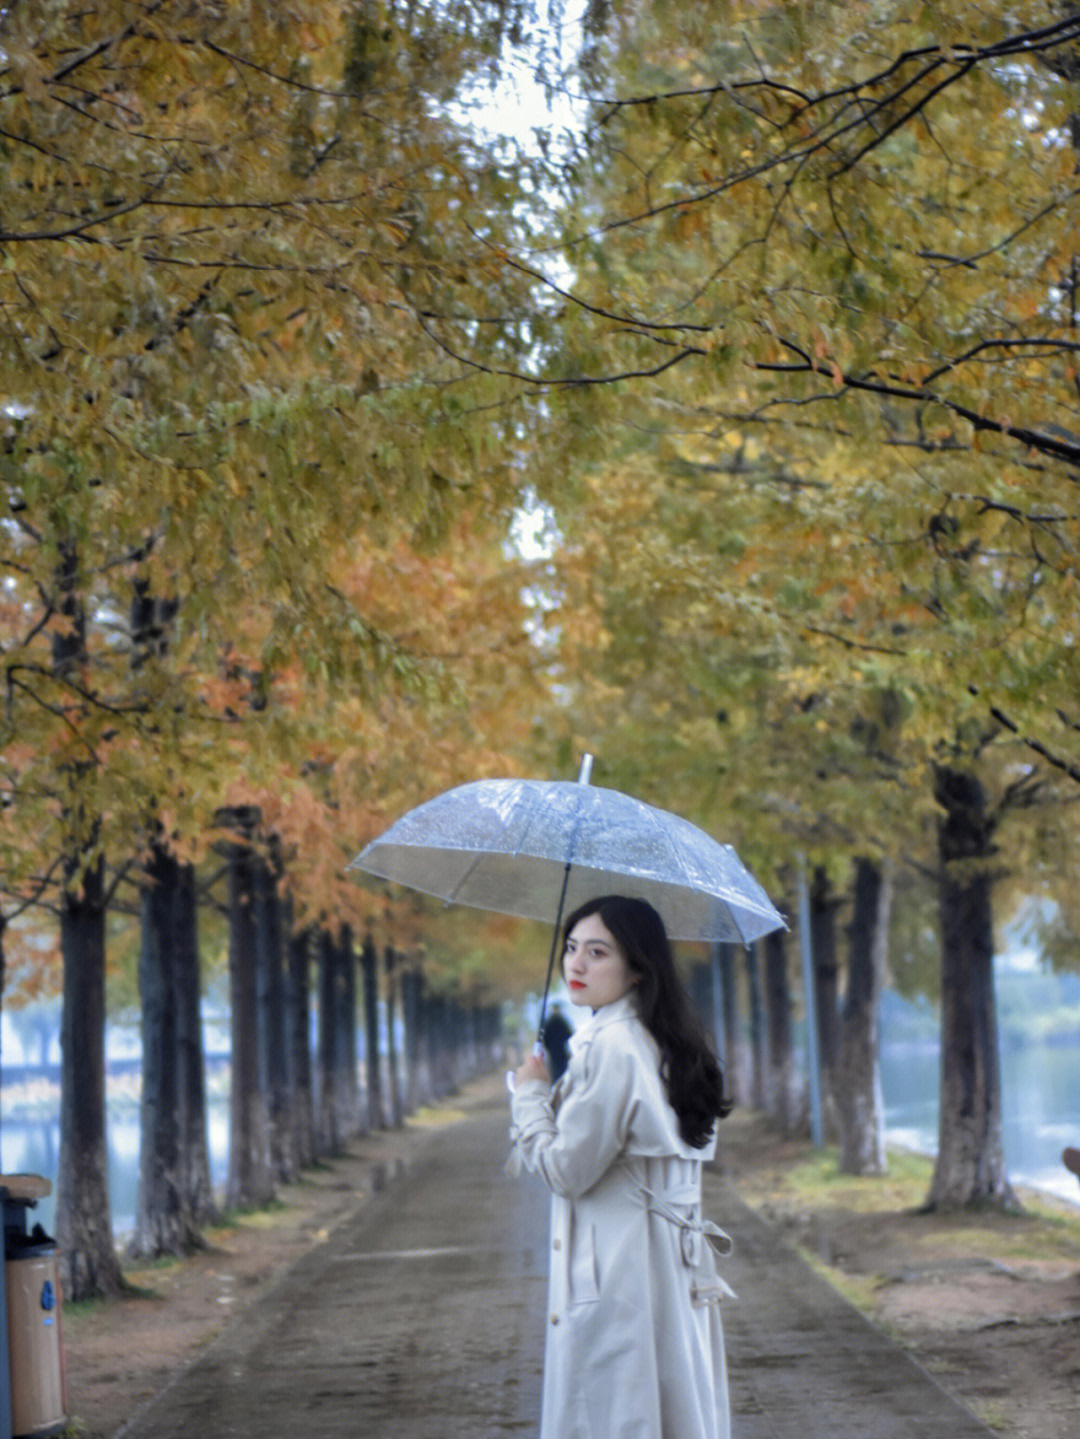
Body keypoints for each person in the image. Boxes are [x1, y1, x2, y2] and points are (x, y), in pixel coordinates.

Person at [508, 894, 733, 1439]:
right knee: (672, 1410)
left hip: (620, 1277)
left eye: (598, 952)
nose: (576, 965)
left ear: (637, 970)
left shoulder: (612, 1047)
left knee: (618, 1417)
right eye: (571, 948)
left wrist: (531, 1098)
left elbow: (566, 1170)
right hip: (664, 1275)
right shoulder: (667, 1042)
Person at [539, 1000, 573, 1083]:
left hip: (555, 1051)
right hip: (560, 1050)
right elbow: (569, 1034)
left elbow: (544, 1038)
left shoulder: (549, 1021)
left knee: (555, 1070)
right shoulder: (562, 1020)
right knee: (561, 1069)